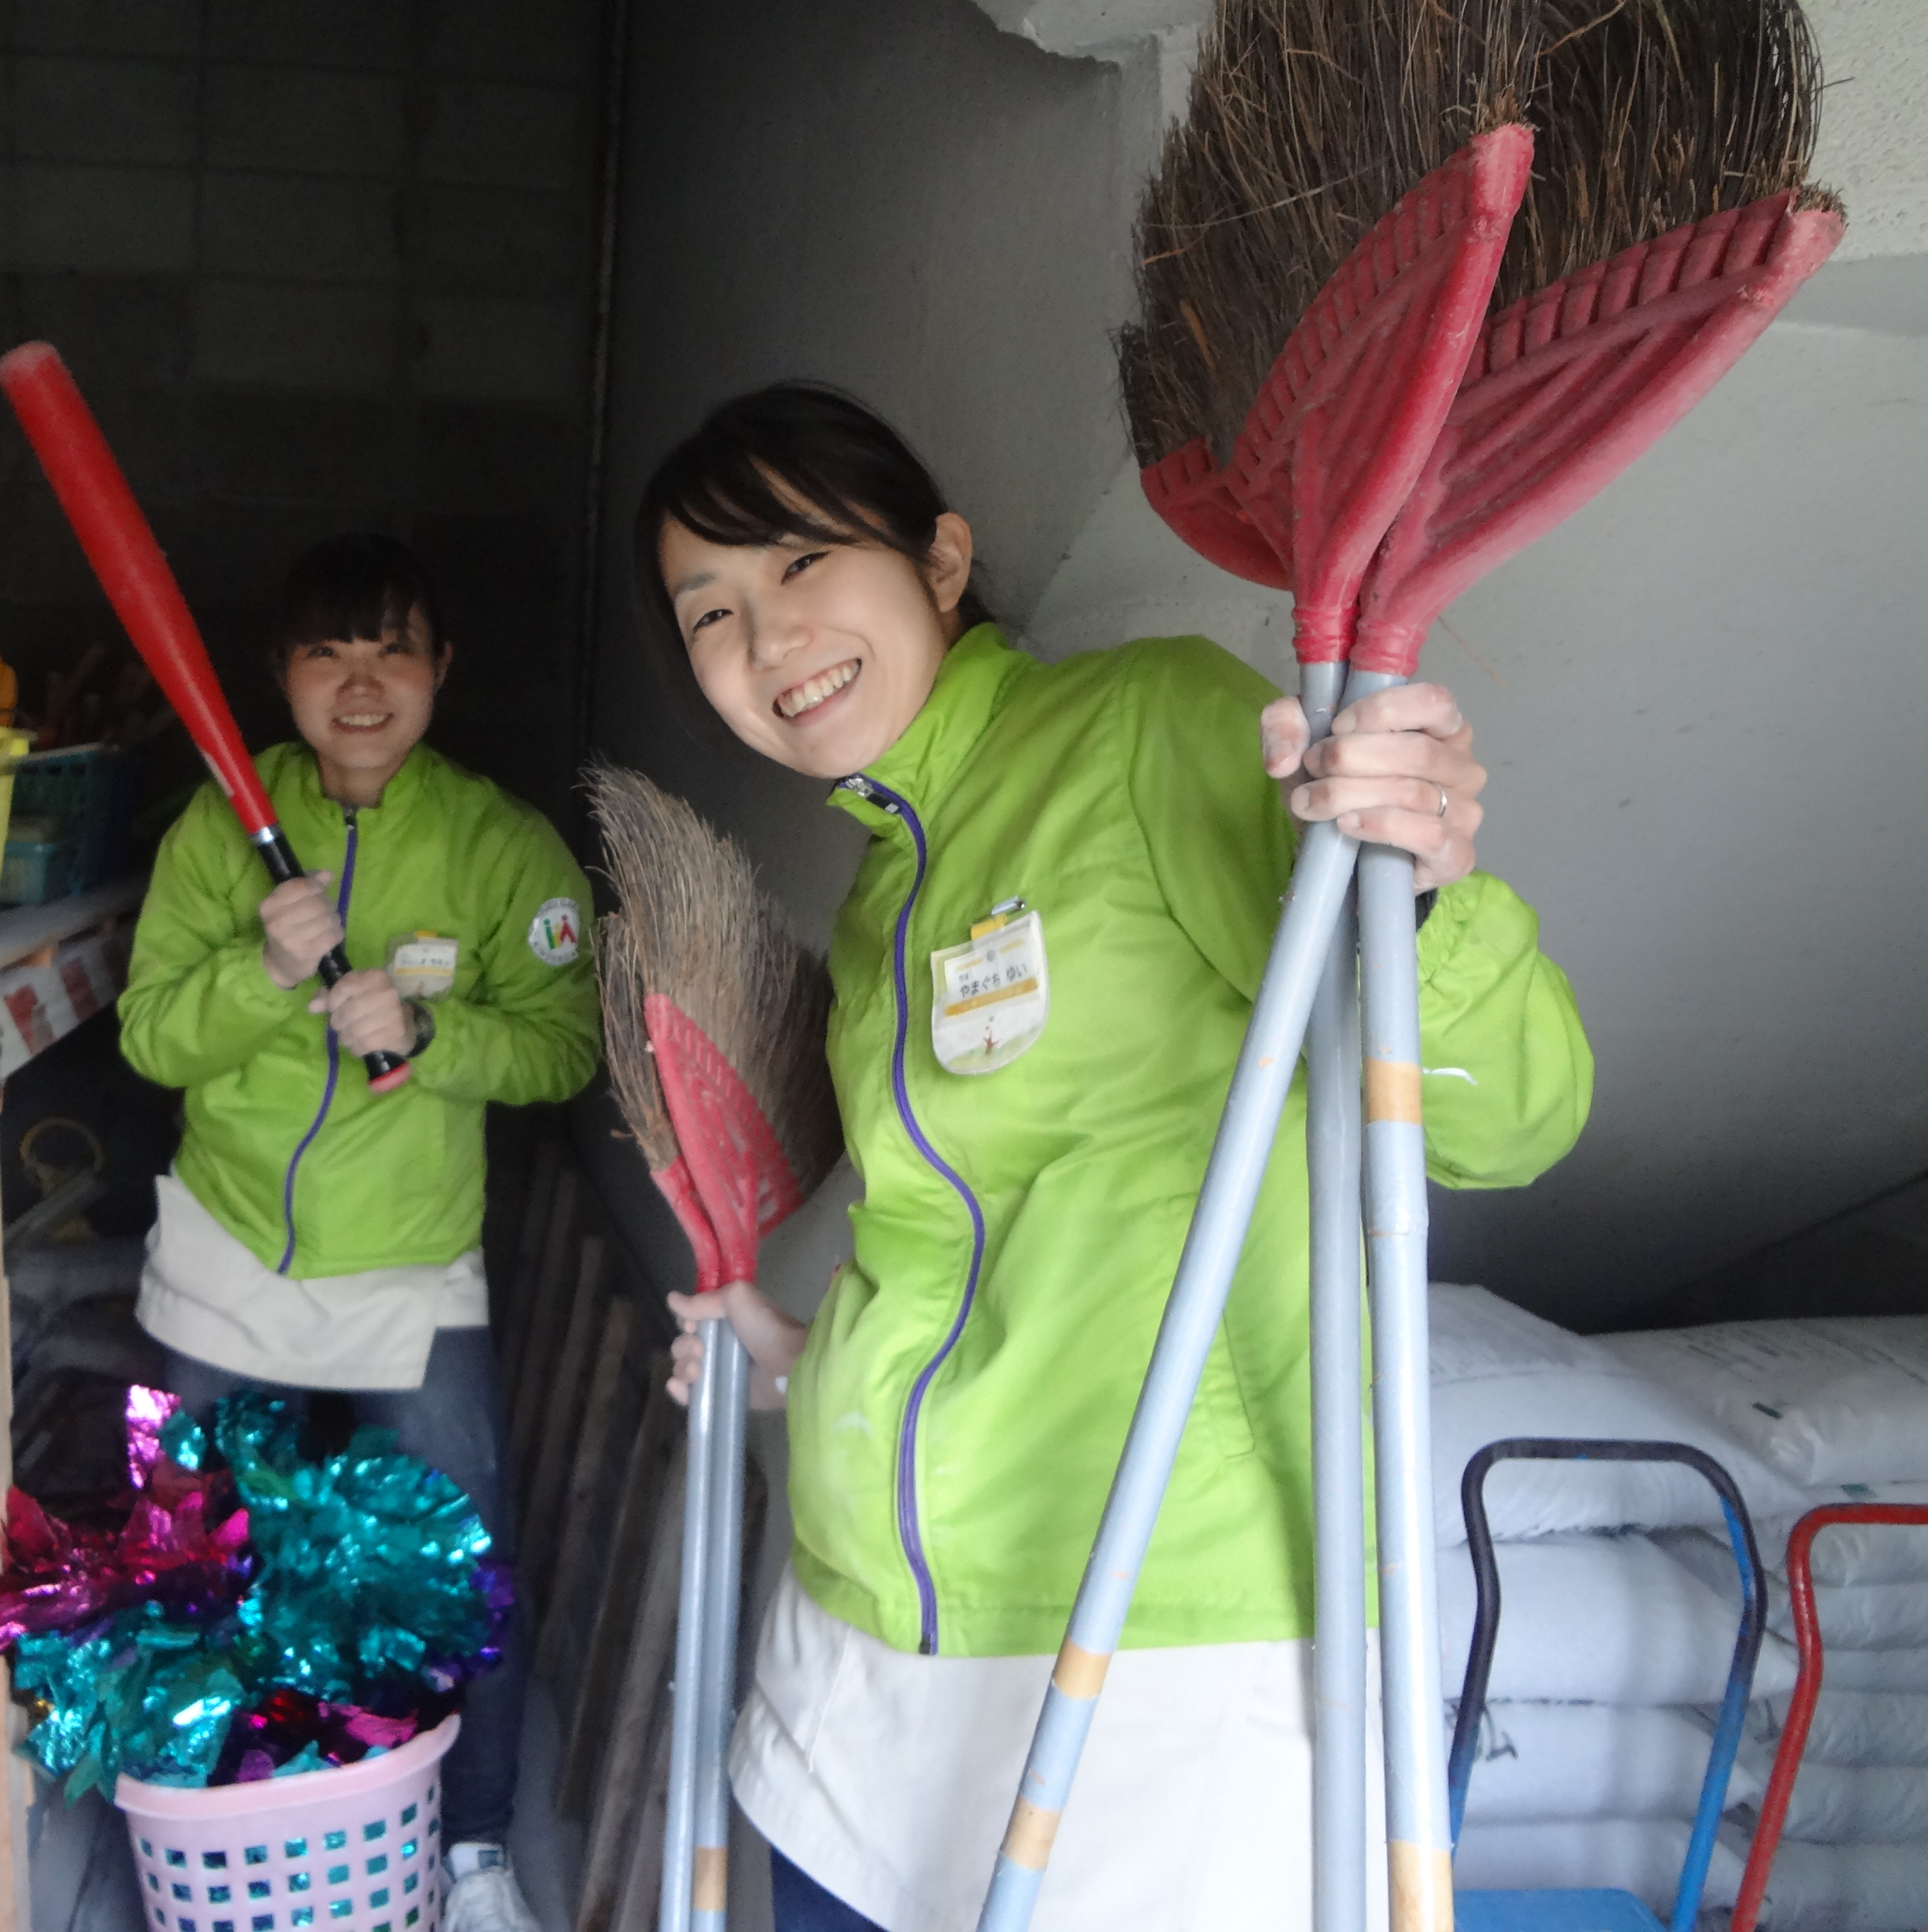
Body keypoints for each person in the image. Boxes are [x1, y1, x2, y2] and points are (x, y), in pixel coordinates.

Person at [637, 386, 1593, 1932]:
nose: (769, 636)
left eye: (803, 559)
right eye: (711, 611)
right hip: (857, 1640)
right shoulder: (879, 900)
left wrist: (1419, 895)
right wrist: (800, 1358)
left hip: (1153, 1639)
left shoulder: (1146, 724)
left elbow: (1514, 1119)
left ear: (942, 560)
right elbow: (979, 1258)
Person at [120, 532, 600, 1932]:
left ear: (443, 666)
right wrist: (266, 971)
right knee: (192, 1554)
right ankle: (209, 1823)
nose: (363, 684)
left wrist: (433, 1032)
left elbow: (565, 1048)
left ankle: (476, 1848)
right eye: (328, 652)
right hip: (223, 1254)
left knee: (462, 1564)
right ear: (282, 675)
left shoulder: (502, 844)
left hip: (410, 1266)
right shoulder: (216, 827)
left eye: (394, 649)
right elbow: (149, 1036)